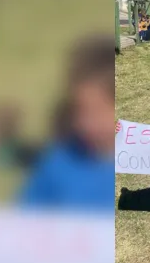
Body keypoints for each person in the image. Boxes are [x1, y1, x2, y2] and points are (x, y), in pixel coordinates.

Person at [19, 35, 115, 210]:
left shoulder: (130, 156)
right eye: (77, 110)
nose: (81, 123)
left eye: (95, 112)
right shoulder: (57, 163)